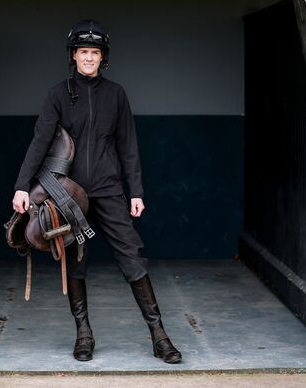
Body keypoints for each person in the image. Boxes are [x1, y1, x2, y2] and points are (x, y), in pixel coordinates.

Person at [11, 19, 182, 364]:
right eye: (83, 52)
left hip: (108, 189)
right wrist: (22, 186)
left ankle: (159, 335)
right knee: (77, 263)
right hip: (68, 194)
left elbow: (128, 145)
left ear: (103, 57)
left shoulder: (116, 94)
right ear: (73, 56)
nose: (89, 58)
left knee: (132, 257)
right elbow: (40, 142)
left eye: (95, 52)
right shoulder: (57, 95)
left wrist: (136, 191)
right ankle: (84, 333)